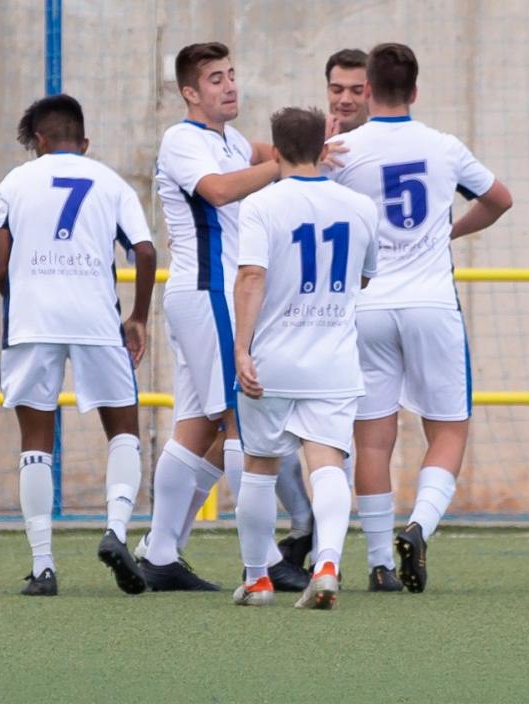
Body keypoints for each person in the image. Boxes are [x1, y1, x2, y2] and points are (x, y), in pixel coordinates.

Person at [328, 43, 513, 593]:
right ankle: (420, 525)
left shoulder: (342, 150)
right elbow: (500, 199)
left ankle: (381, 564)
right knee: (449, 429)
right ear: (413, 91)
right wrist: (449, 230)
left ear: (368, 91)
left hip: (367, 307)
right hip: (432, 303)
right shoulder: (443, 146)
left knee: (374, 439)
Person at [142, 41, 307, 591]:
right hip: (209, 290)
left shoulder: (230, 139)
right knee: (241, 418)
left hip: (207, 295)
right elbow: (215, 191)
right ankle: (261, 560)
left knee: (196, 425)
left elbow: (271, 151)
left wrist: (320, 142)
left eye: (231, 74)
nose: (230, 85)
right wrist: (284, 165)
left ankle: (161, 553)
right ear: (189, 92)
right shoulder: (182, 140)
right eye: (215, 78)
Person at [0, 94, 156, 597]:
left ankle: (43, 567)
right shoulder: (110, 181)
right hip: (96, 318)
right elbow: (144, 251)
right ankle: (116, 532)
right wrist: (137, 317)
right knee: (123, 426)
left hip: (32, 321)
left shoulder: (15, 182)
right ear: (84, 142)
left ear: (38, 141)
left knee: (35, 440)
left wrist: (26, 299)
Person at [231, 106, 379, 609]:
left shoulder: (261, 205)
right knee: (328, 465)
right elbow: (362, 276)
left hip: (274, 361)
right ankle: (329, 563)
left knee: (259, 466)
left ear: (275, 151)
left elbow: (251, 276)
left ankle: (258, 580)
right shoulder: (360, 206)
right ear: (322, 148)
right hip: (333, 361)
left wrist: (241, 349)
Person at [270, 47, 376, 572]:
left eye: (357, 89)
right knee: (307, 445)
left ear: (374, 92)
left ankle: (368, 553)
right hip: (310, 318)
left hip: (356, 313)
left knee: (360, 438)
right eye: (337, 89)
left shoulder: (372, 154)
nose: (346, 98)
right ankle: (309, 537)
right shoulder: (310, 154)